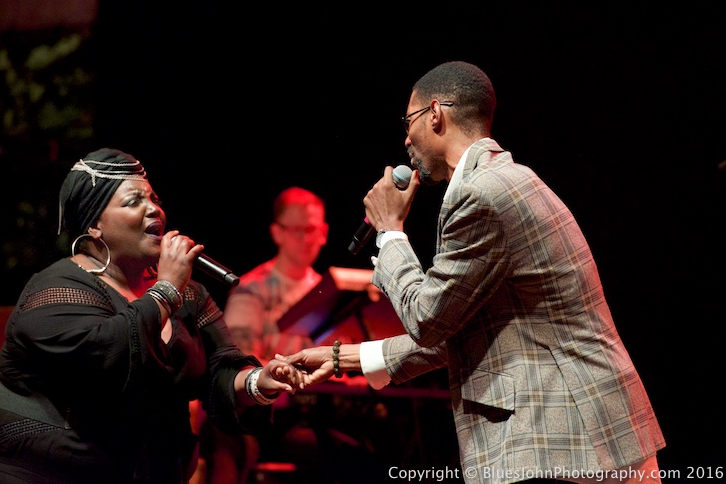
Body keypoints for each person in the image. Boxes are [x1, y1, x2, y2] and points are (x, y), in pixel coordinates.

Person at [284, 61, 665, 484]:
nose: (405, 138)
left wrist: (390, 232)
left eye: (408, 121)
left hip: (563, 435)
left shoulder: (481, 195)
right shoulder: (503, 179)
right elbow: (462, 330)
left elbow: (427, 320)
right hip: (589, 431)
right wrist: (344, 357)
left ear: (435, 114)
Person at [0, 148, 302, 484]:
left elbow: (220, 368)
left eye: (154, 198)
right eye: (133, 201)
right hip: (38, 471)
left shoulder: (189, 292)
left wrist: (258, 381)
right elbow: (111, 356)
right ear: (95, 225)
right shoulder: (55, 290)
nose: (153, 208)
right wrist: (167, 289)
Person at [201, 187, 329, 483]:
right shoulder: (252, 288)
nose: (305, 238)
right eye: (297, 229)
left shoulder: (332, 291)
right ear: (277, 233)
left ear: (324, 233)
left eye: (312, 229)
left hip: (321, 412)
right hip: (268, 416)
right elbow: (237, 364)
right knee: (226, 439)